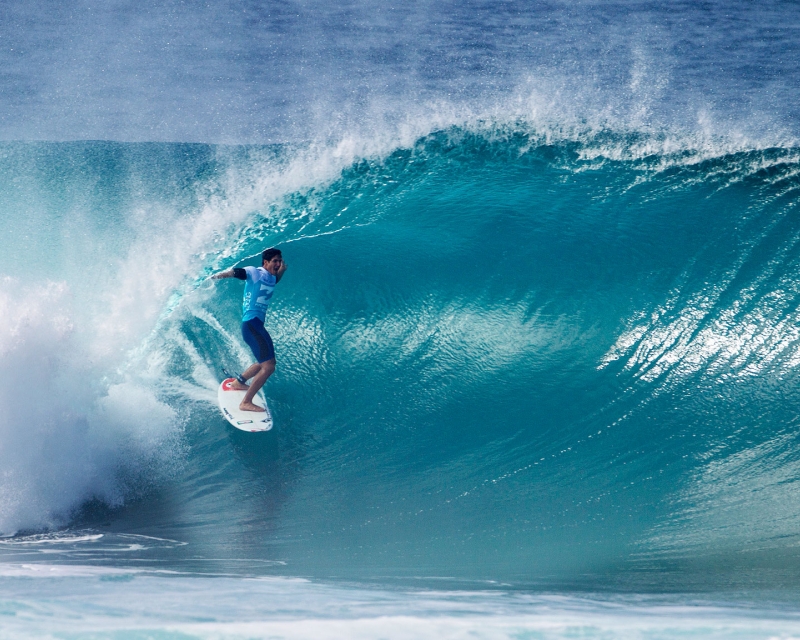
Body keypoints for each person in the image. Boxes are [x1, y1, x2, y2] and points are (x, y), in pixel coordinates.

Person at [212, 248, 287, 412]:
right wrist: (214, 277)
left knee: (266, 363)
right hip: (251, 325)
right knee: (268, 367)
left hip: (256, 326)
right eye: (275, 261)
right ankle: (246, 402)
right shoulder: (255, 272)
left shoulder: (270, 278)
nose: (278, 263)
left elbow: (274, 281)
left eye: (280, 260)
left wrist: (281, 271)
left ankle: (239, 382)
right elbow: (236, 272)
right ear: (265, 262)